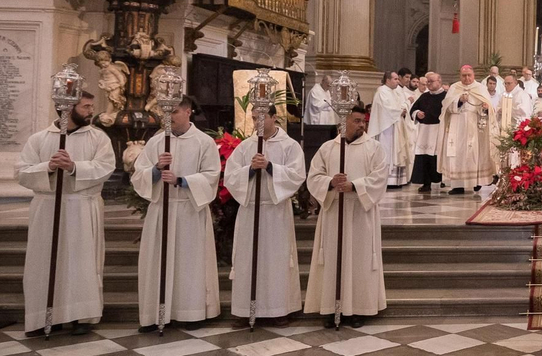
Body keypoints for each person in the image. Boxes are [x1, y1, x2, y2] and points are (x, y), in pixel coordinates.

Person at [16, 89, 115, 335]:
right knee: (45, 261)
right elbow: (21, 172)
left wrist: (73, 167)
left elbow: (105, 167)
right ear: (67, 109)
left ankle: (81, 316)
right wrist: (48, 167)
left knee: (81, 262)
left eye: (91, 106)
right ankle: (46, 316)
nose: (91, 111)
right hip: (48, 207)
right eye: (86, 107)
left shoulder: (98, 138)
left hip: (82, 205)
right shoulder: (39, 138)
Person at [132, 95, 221, 329]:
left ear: (188, 111)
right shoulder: (157, 141)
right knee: (157, 262)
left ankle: (189, 312)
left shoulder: (204, 142)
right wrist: (156, 169)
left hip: (189, 210)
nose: (168, 118)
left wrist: (181, 181)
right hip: (161, 209)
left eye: (174, 113)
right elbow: (138, 174)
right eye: (165, 113)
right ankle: (155, 313)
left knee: (189, 263)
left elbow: (212, 175)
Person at [305, 102, 387, 328]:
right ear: (344, 121)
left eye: (364, 121)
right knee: (333, 259)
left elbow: (380, 178)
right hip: (334, 211)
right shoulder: (328, 148)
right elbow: (313, 176)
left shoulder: (374, 148)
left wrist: (356, 186)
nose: (362, 125)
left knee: (358, 260)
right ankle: (332, 308)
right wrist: (330, 182)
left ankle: (358, 309)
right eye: (357, 121)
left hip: (361, 211)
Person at [223, 105, 305, 326]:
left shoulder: (290, 146)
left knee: (276, 260)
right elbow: (230, 177)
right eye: (253, 118)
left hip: (275, 210)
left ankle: (279, 309)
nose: (256, 122)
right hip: (251, 209)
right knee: (247, 258)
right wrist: (249, 170)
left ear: (274, 117)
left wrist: (270, 167)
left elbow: (297, 175)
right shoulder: (245, 147)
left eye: (261, 117)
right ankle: (243, 309)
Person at [442, 64, 495, 193]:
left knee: (474, 152)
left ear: (473, 76)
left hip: (474, 124)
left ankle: (476, 181)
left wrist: (485, 108)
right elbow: (446, 107)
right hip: (457, 124)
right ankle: (458, 185)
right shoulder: (455, 88)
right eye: (464, 76)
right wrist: (459, 101)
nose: (466, 78)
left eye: (469, 75)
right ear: (460, 76)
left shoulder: (480, 88)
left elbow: (489, 108)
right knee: (457, 153)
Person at [369, 71, 415, 188]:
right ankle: (387, 181)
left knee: (396, 151)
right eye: (395, 79)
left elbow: (400, 106)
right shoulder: (382, 91)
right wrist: (402, 109)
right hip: (386, 129)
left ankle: (397, 181)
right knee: (388, 152)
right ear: (387, 80)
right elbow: (388, 109)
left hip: (396, 126)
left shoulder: (395, 92)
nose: (397, 81)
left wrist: (404, 107)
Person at [409, 71, 447, 188]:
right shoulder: (424, 96)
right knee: (424, 156)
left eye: (431, 82)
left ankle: (442, 180)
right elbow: (413, 110)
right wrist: (417, 113)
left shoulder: (445, 96)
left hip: (439, 130)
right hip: (425, 131)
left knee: (438, 156)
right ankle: (426, 183)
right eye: (427, 82)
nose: (429, 84)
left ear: (439, 81)